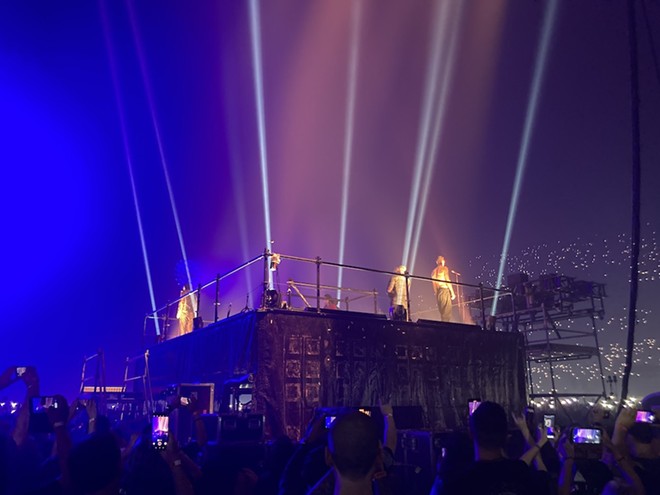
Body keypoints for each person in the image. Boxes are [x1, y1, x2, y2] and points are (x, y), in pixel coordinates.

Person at [431, 256, 455, 322]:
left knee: (442, 312)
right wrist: (452, 292)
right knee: (447, 312)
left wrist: (437, 294)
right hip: (444, 290)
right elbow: (447, 280)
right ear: (443, 261)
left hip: (439, 293)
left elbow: (434, 286)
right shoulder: (444, 269)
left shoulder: (433, 272)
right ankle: (447, 329)